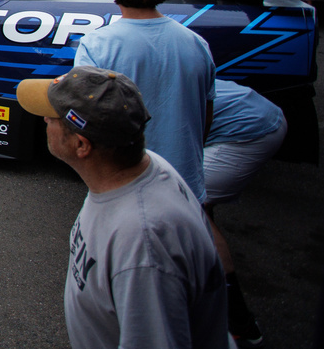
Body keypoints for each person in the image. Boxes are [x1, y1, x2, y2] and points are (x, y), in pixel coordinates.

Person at [16, 67, 228, 349]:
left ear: (81, 145)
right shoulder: (142, 167)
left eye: (52, 117)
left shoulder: (144, 244)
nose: (44, 118)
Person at [74, 0, 215, 203]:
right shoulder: (196, 43)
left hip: (124, 182)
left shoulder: (97, 45)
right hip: (186, 183)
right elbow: (205, 114)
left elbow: (85, 120)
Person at [202, 80, 288, 346]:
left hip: (251, 131)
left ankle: (239, 322)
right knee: (194, 200)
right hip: (261, 113)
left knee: (186, 207)